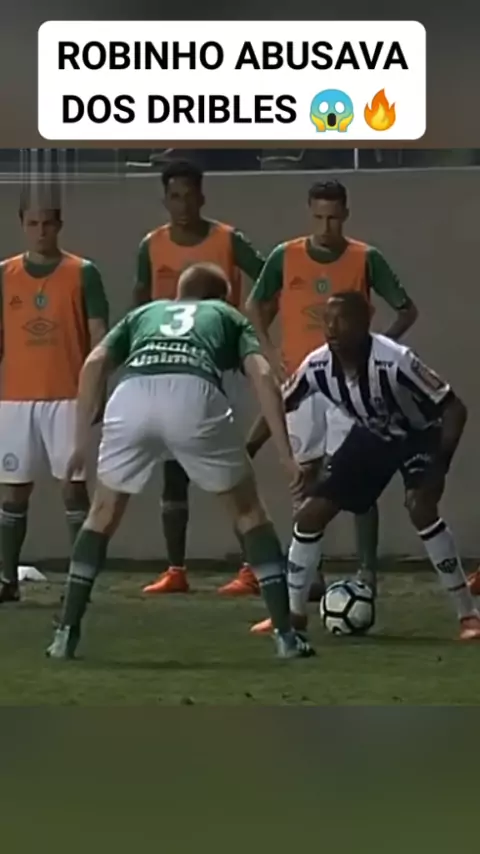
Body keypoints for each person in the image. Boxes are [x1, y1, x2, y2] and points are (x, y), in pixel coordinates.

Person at [46, 263, 314, 661]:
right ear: (219, 298)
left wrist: (79, 441)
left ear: (179, 293)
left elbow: (94, 363)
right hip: (193, 392)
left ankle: (65, 634)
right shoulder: (226, 314)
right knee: (249, 513)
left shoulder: (144, 313)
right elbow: (262, 374)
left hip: (132, 394)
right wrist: (285, 454)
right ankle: (286, 637)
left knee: (102, 514)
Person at [245, 179, 418, 633]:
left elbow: (406, 309)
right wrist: (270, 351)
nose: (326, 226)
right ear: (310, 213)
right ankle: (310, 577)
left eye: (334, 217)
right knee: (306, 476)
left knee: (357, 477)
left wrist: (375, 350)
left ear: (346, 214)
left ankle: (367, 572)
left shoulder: (365, 257)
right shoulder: (285, 256)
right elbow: (255, 305)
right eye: (319, 217)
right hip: (305, 381)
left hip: (351, 385)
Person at [281, 290, 480, 640]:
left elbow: (454, 408)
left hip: (420, 434)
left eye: (341, 319)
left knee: (421, 507)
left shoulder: (396, 360)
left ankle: (468, 616)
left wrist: (440, 466)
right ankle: (292, 617)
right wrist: (250, 446)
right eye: (327, 320)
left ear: (364, 323)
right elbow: (279, 402)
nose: (331, 327)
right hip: (373, 436)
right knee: (310, 514)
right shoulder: (317, 366)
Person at [133, 160, 267, 598]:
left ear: (202, 197)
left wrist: (252, 332)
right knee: (173, 471)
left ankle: (252, 568)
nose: (183, 205)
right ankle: (176, 569)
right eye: (175, 196)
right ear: (165, 200)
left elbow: (271, 280)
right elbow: (139, 304)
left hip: (219, 368)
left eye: (190, 196)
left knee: (233, 469)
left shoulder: (228, 240)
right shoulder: (151, 245)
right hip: (172, 369)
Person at [0, 202, 109, 604]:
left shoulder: (83, 272)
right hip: (15, 399)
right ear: (22, 225)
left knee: (74, 490)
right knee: (13, 492)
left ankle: (79, 583)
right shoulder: (5, 274)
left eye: (48, 223)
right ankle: (6, 580)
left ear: (59, 225)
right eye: (33, 223)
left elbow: (100, 338)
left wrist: (97, 391)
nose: (41, 230)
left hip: (68, 397)